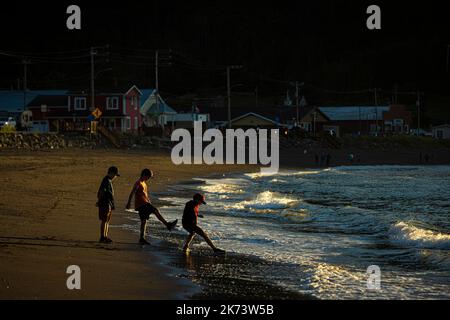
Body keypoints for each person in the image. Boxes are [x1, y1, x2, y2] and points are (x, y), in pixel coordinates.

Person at [126, 169, 178, 245]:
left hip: (144, 203)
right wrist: (129, 203)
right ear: (144, 175)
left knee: (144, 221)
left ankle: (142, 238)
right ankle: (167, 225)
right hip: (142, 204)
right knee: (155, 210)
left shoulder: (144, 183)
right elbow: (132, 192)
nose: (149, 178)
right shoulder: (138, 183)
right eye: (148, 177)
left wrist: (149, 201)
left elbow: (145, 195)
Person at [97, 166, 120, 243]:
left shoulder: (108, 180)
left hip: (108, 203)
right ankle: (102, 237)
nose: (115, 177)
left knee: (107, 220)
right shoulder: (106, 180)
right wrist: (99, 200)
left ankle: (105, 236)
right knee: (104, 220)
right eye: (115, 175)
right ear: (111, 173)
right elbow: (102, 191)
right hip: (105, 202)